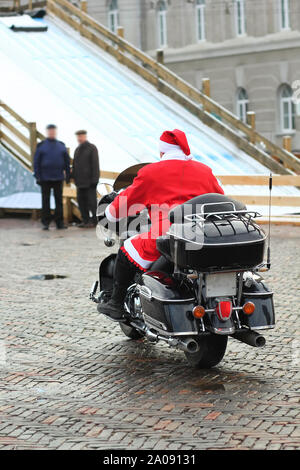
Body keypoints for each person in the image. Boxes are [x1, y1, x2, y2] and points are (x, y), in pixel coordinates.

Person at [99, 129, 224, 320]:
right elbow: (219, 197)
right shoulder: (204, 171)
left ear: (162, 152)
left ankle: (116, 304)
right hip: (201, 232)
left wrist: (111, 212)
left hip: (166, 234)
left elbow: (126, 200)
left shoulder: (151, 172)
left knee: (126, 250)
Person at [33, 124, 70, 230]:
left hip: (58, 178)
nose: (51, 133)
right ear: (47, 132)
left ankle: (59, 223)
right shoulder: (41, 146)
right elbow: (36, 162)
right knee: (45, 201)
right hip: (45, 178)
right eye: (50, 131)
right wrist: (38, 176)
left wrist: (67, 176)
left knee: (59, 201)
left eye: (53, 131)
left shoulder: (61, 145)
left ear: (56, 132)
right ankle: (46, 223)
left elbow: (67, 163)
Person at [72, 130, 100, 228]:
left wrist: (95, 180)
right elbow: (75, 165)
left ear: (85, 136)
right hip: (79, 182)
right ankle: (85, 220)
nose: (79, 138)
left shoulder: (92, 148)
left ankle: (95, 221)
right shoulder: (77, 149)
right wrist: (74, 178)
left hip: (90, 182)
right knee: (81, 202)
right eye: (78, 136)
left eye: (81, 136)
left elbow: (95, 165)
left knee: (92, 203)